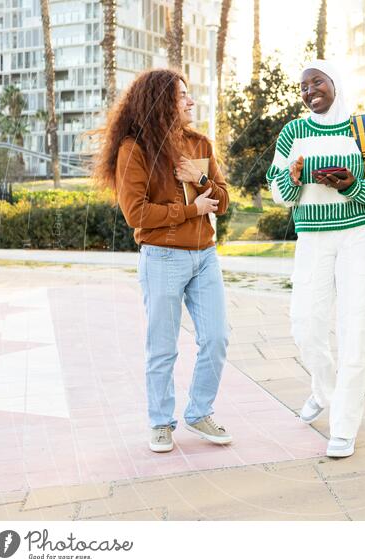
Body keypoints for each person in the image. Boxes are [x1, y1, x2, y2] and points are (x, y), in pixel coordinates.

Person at [93, 69, 232, 453]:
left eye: (189, 94)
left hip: (205, 257)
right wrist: (190, 209)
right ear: (159, 102)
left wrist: (201, 181)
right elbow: (136, 214)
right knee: (163, 346)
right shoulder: (134, 150)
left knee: (217, 337)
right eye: (181, 95)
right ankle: (159, 422)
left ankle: (199, 411)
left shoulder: (200, 143)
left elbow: (224, 199)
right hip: (162, 258)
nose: (190, 101)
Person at [266, 60, 365, 458]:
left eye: (316, 82)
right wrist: (291, 177)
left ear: (334, 83)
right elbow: (277, 192)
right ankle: (323, 391)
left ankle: (344, 425)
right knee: (304, 325)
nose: (309, 91)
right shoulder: (294, 132)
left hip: (357, 237)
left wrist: (352, 185)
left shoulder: (364, 128)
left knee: (354, 328)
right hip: (312, 240)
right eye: (303, 86)